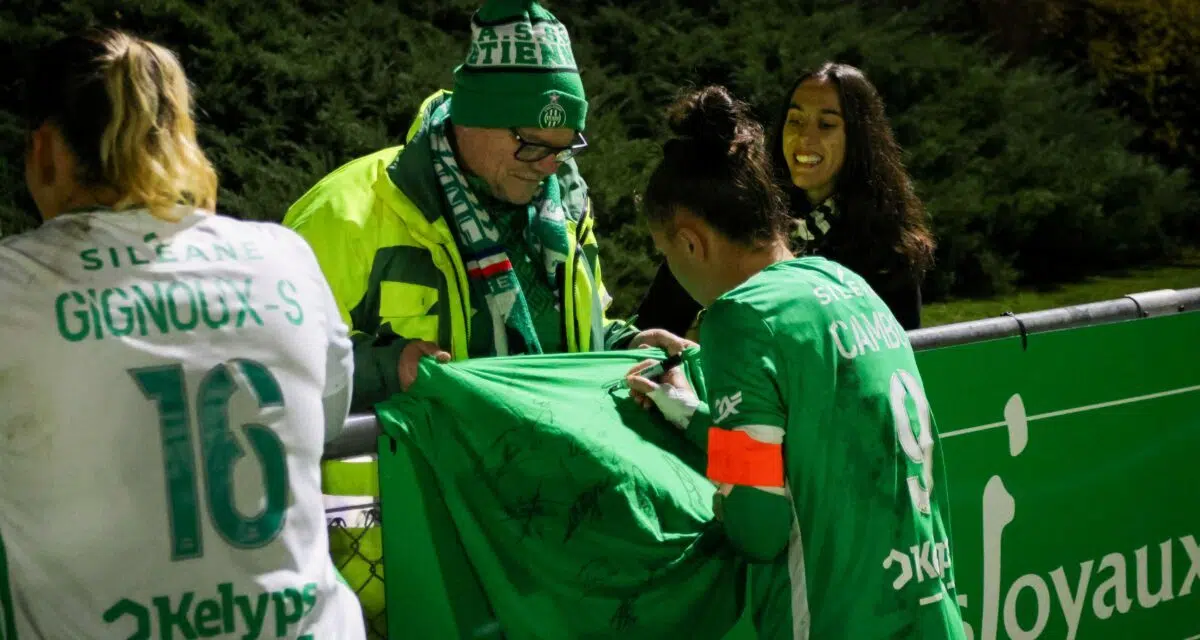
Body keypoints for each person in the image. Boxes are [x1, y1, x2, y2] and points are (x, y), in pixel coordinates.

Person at [281, 0, 683, 626]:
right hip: (402, 569)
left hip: (547, 550)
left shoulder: (564, 205)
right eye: (532, 145)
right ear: (475, 116)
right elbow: (272, 366)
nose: (550, 166)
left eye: (565, 147)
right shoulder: (343, 214)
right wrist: (388, 368)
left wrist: (625, 344)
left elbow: (575, 333)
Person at [0, 29, 366, 638]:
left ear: (44, 151)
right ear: (180, 136)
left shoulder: (14, 286)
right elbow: (327, 415)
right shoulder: (285, 260)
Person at [623, 85, 965, 639]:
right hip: (930, 616)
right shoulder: (847, 285)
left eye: (664, 253)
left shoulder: (739, 319)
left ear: (689, 243)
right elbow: (805, 451)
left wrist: (723, 504)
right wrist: (688, 412)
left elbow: (760, 527)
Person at [633, 62, 935, 336]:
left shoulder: (889, 250)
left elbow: (906, 353)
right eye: (795, 121)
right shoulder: (743, 212)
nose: (804, 139)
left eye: (826, 124)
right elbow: (654, 323)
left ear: (860, 138)